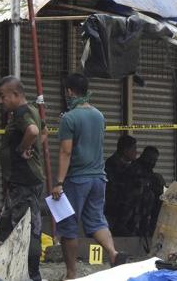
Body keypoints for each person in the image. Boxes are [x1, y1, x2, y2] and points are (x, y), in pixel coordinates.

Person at [51, 73, 126, 279]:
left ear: (69, 91)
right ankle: (113, 253)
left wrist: (58, 182)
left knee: (68, 226)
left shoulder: (69, 118)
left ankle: (71, 274)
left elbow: (66, 151)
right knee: (97, 222)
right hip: (99, 178)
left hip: (77, 179)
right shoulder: (99, 115)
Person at [0, 76, 47, 281]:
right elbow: (43, 131)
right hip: (20, 181)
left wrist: (23, 148)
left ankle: (32, 274)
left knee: (26, 229)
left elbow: (34, 131)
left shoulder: (22, 112)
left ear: (16, 95)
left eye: (3, 96)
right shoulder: (33, 110)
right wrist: (32, 148)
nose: (1, 101)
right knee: (7, 226)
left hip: (25, 181)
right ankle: (8, 269)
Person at [125, 146, 166, 238]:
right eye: (150, 159)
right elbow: (138, 185)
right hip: (134, 208)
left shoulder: (148, 169)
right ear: (144, 156)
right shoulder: (134, 168)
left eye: (154, 160)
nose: (152, 162)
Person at [104, 135, 138, 235]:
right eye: (133, 149)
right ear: (125, 150)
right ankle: (120, 227)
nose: (135, 152)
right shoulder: (112, 164)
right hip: (115, 201)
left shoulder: (133, 165)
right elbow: (115, 185)